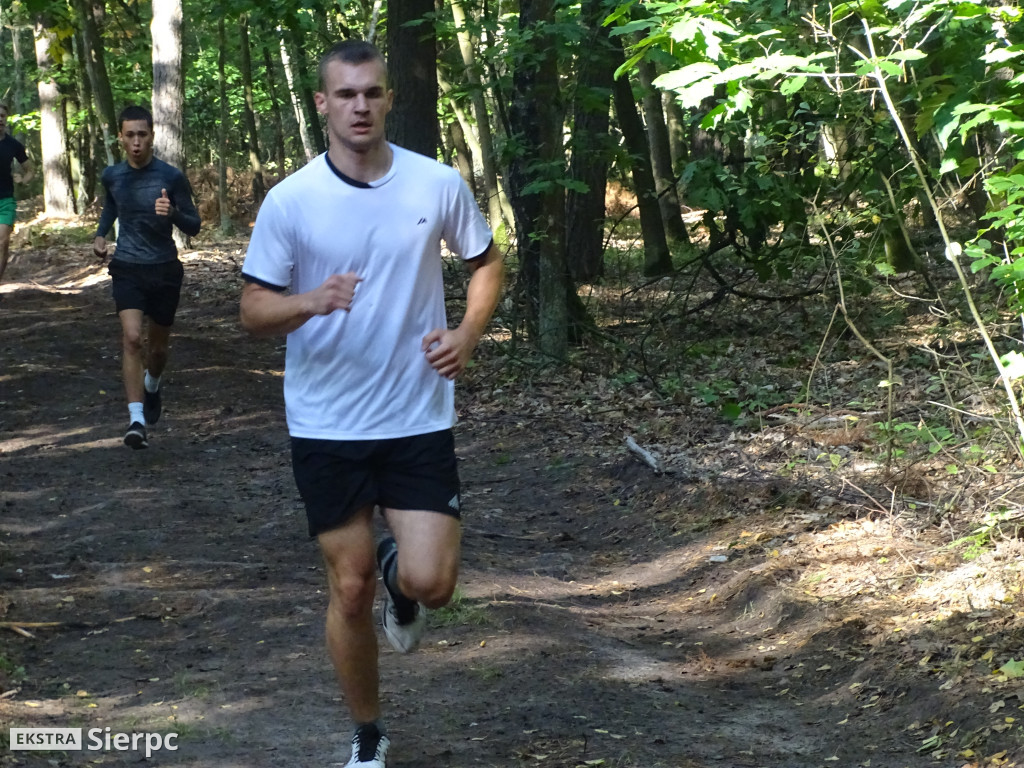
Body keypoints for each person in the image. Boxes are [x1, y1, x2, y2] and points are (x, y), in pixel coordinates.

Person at [239, 40, 503, 768]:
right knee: (347, 589)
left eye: (373, 93)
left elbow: (486, 263)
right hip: (326, 422)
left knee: (434, 584)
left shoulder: (434, 182)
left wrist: (467, 333)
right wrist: (309, 301)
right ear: (322, 103)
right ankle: (368, 733)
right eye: (346, 94)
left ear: (388, 99)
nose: (361, 106)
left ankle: (402, 580)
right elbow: (253, 310)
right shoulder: (290, 200)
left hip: (418, 413)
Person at [93, 105, 201, 449]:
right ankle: (136, 420)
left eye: (142, 134)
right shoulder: (112, 175)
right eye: (130, 135)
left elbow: (195, 225)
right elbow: (112, 205)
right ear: (121, 138)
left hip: (165, 269)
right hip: (127, 267)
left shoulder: (171, 177)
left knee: (157, 350)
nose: (137, 142)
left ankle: (153, 383)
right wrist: (101, 234)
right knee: (131, 337)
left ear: (152, 136)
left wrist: (173, 213)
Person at [0, 102, 34, 284]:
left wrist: (23, 180)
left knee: (2, 243)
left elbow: (30, 170)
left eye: (2, 116)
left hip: (5, 200)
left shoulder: (13, 145)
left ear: (6, 119)